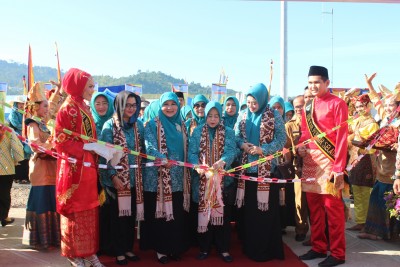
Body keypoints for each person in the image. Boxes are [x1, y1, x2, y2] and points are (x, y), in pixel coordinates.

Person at [54, 68, 105, 267]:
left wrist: (96, 146)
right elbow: (60, 140)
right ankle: (75, 254)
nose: (93, 90)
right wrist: (86, 146)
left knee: (89, 212)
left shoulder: (82, 106)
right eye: (90, 86)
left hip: (88, 169)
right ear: (78, 86)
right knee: (75, 212)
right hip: (75, 171)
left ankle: (89, 253)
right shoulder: (68, 109)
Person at [298, 66, 348, 267]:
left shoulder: (338, 104)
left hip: (330, 164)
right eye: (310, 83)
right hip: (310, 163)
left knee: (333, 211)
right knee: (315, 210)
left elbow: (342, 138)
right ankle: (318, 247)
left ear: (327, 83)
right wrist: (300, 146)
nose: (313, 86)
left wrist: (338, 168)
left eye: (317, 82)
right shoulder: (307, 108)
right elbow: (304, 134)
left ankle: (337, 253)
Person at [235, 83, 286, 262]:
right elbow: (236, 136)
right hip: (247, 171)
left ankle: (266, 249)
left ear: (263, 100)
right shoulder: (242, 115)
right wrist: (242, 145)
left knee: (264, 213)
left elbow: (282, 139)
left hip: (266, 172)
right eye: (248, 102)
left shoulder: (274, 115)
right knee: (250, 213)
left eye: (254, 102)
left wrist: (263, 149)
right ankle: (250, 247)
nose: (251, 106)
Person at [141, 92, 191, 264]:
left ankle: (174, 248)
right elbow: (149, 146)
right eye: (165, 104)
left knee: (176, 215)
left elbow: (188, 149)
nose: (169, 108)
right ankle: (161, 250)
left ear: (178, 106)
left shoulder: (182, 125)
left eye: (173, 104)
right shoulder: (151, 125)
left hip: (178, 179)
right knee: (161, 216)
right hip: (158, 180)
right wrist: (162, 159)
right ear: (160, 106)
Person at [188, 101, 236, 263]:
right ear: (205, 116)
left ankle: (223, 249)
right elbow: (192, 152)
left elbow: (231, 151)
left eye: (216, 116)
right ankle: (204, 247)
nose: (213, 119)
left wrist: (222, 162)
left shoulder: (228, 132)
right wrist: (198, 166)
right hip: (202, 181)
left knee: (223, 215)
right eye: (210, 116)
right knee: (204, 215)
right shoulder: (197, 132)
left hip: (222, 182)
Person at [100, 90, 144, 265]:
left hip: (134, 179)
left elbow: (142, 151)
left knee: (129, 218)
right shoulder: (109, 126)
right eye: (127, 105)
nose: (131, 109)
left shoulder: (138, 125)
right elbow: (104, 156)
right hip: (115, 181)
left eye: (134, 105)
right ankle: (118, 251)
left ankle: (128, 248)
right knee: (117, 218)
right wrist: (113, 177)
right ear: (119, 105)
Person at [357, 73, 400, 241]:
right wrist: (370, 86)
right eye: (387, 105)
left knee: (389, 202)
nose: (388, 108)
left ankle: (388, 234)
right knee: (377, 200)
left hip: (394, 171)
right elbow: (377, 102)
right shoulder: (387, 120)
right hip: (382, 168)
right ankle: (375, 231)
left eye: (392, 105)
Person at [22, 82, 61, 249]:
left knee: (51, 201)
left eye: (47, 105)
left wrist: (58, 91)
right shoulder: (33, 124)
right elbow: (35, 145)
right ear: (36, 107)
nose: (47, 108)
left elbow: (53, 107)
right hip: (40, 168)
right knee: (41, 202)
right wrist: (53, 144)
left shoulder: (44, 122)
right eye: (44, 105)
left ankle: (52, 239)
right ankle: (39, 240)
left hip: (52, 168)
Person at [346, 94, 379, 232]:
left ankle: (367, 222)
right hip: (354, 160)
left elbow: (374, 145)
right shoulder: (355, 121)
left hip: (366, 160)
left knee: (365, 193)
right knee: (357, 191)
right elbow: (345, 127)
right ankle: (360, 221)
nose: (359, 109)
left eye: (362, 106)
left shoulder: (373, 124)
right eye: (357, 106)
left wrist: (361, 143)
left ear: (368, 106)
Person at [285, 95, 309, 242]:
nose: (299, 109)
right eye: (296, 106)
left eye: (301, 106)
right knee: (300, 201)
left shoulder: (314, 122)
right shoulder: (289, 125)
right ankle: (300, 229)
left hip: (316, 167)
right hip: (298, 168)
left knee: (316, 202)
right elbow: (285, 147)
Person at [0, 124, 24, 227]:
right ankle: (4, 217)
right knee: (5, 194)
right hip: (6, 167)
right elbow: (16, 148)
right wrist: (17, 159)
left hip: (6, 167)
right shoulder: (7, 129)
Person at [7, 95, 31, 184]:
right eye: (20, 103)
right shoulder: (13, 113)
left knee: (27, 155)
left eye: (23, 103)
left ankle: (25, 176)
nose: (22, 105)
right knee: (18, 155)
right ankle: (18, 177)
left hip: (25, 137)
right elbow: (16, 124)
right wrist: (27, 127)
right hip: (17, 137)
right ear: (16, 104)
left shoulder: (26, 113)